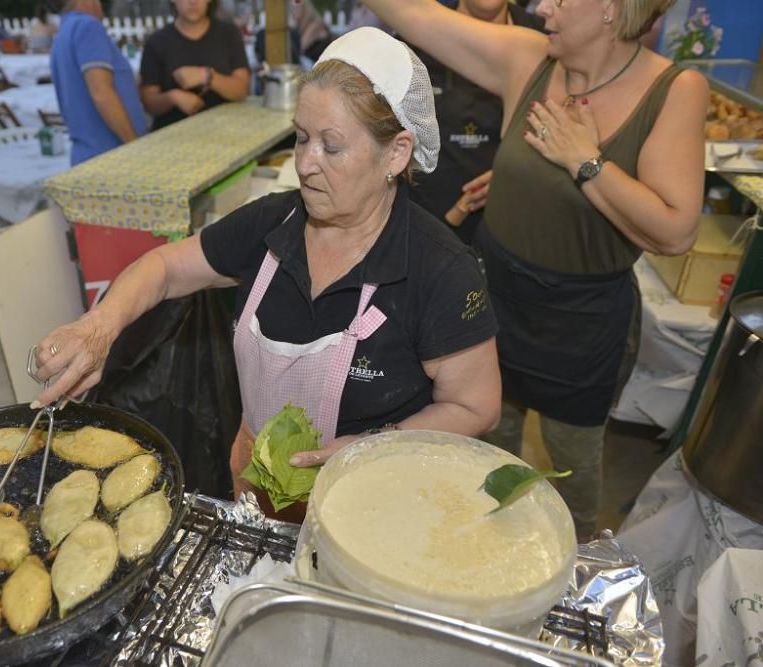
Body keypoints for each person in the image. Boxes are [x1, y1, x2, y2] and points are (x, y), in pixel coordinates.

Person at [32, 28, 502, 521]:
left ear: (397, 153)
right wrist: (97, 328)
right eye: (301, 138)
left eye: (331, 147)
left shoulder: (439, 269)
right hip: (255, 490)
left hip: (373, 501)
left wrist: (371, 446)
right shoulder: (272, 223)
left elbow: (477, 407)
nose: (305, 163)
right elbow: (165, 267)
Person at [363, 0, 708, 538]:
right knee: (484, 463)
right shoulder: (530, 58)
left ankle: (569, 594)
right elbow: (419, 17)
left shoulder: (674, 90)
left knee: (571, 479)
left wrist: (584, 160)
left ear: (611, 10)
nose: (540, 7)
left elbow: (675, 231)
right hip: (496, 301)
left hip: (582, 322)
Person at [407, 0, 545, 244]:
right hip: (429, 229)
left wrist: (523, 171)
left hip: (521, 232)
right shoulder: (416, 38)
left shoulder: (546, 38)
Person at [50, 0, 146, 165]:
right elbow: (101, 93)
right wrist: (134, 145)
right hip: (110, 157)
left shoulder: (65, 30)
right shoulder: (88, 26)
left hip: (88, 154)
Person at [139, 0, 250, 130]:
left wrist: (207, 77)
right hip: (173, 137)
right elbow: (148, 102)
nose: (193, 2)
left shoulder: (229, 34)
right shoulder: (156, 42)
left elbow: (242, 90)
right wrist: (172, 97)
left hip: (226, 132)